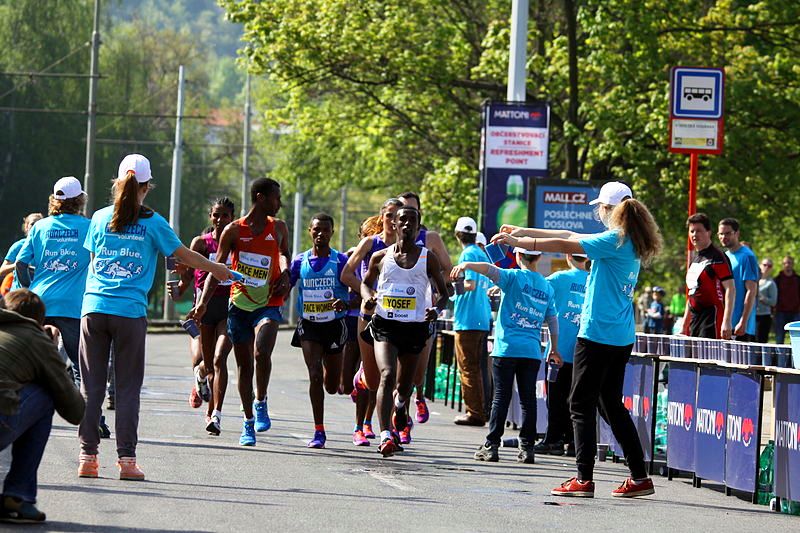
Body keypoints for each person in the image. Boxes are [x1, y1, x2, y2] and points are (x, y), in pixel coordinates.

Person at [493, 181, 662, 498]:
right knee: (610, 404)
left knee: (580, 403)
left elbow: (564, 245)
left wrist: (520, 240)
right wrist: (523, 231)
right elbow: (570, 237)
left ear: (609, 210)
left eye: (600, 207)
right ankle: (639, 476)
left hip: (597, 333)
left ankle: (583, 478)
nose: (598, 212)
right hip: (620, 335)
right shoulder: (630, 241)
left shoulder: (614, 239)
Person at [78, 154, 233, 481]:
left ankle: (88, 458)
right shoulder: (153, 222)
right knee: (128, 388)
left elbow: (93, 260)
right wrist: (217, 268)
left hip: (93, 309)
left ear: (117, 183)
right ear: (147, 187)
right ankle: (127, 461)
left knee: (92, 388)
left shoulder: (99, 217)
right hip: (130, 313)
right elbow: (183, 255)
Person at [191, 177, 290, 446]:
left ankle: (261, 401)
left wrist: (286, 271)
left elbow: (284, 254)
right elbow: (217, 270)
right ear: (260, 197)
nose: (279, 203)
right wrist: (202, 303)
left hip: (268, 302)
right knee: (244, 366)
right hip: (240, 303)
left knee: (262, 350)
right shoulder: (234, 231)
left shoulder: (278, 227)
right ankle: (248, 422)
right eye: (275, 198)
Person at [454, 248, 560, 464]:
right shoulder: (546, 286)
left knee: (501, 397)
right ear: (539, 257)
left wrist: (467, 265)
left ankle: (492, 445)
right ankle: (527, 448)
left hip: (507, 348)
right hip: (531, 350)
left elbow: (488, 269)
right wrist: (554, 348)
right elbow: (553, 321)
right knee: (528, 399)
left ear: (519, 256)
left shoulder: (513, 276)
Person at [360, 205, 448, 457]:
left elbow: (443, 294)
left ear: (418, 227)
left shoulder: (427, 257)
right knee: (387, 375)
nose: (407, 224)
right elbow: (366, 284)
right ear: (395, 225)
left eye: (413, 220)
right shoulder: (381, 257)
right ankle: (385, 435)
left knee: (405, 386)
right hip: (385, 325)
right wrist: (368, 297)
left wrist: (436, 310)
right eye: (403, 220)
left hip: (415, 328)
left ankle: (400, 406)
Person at [0, 290, 85, 524]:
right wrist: (47, 356)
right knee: (46, 395)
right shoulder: (34, 338)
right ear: (39, 320)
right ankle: (17, 498)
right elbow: (75, 411)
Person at [15, 177, 91, 387]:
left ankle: (22, 410)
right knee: (80, 364)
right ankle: (89, 416)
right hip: (72, 305)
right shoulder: (89, 227)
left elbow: (21, 264)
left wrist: (28, 291)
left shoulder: (40, 227)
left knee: (28, 361)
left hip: (40, 302)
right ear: (79, 200)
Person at [341, 198, 403, 440]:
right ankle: (359, 427)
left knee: (390, 378)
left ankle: (385, 430)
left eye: (398, 216)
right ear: (382, 217)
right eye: (389, 215)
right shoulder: (371, 243)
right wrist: (368, 293)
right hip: (368, 315)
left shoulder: (408, 248)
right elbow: (346, 274)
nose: (393, 220)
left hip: (398, 318)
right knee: (373, 379)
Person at [288, 213, 350, 448]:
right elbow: (285, 286)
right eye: (316, 229)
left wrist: (345, 302)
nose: (320, 233)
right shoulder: (300, 261)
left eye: (325, 230)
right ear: (310, 231)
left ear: (332, 232)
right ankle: (319, 431)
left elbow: (356, 288)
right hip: (309, 324)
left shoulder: (341, 261)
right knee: (314, 373)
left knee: (332, 386)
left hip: (335, 325)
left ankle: (335, 373)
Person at [176, 198, 235, 435]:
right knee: (203, 362)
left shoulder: (236, 243)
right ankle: (200, 377)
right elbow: (187, 277)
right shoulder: (201, 243)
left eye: (225, 216)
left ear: (232, 217)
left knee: (220, 360)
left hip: (230, 307)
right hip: (204, 307)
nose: (220, 220)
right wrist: (179, 286)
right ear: (210, 217)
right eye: (216, 215)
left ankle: (214, 415)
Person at [397, 191, 453, 428]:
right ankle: (400, 421)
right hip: (394, 313)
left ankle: (418, 396)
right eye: (403, 211)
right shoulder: (390, 239)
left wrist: (430, 277)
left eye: (413, 210)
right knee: (392, 373)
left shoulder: (430, 239)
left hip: (422, 311)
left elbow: (448, 272)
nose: (408, 220)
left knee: (416, 373)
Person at [536, 253, 590, 456]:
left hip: (559, 349)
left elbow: (535, 289)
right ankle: (574, 443)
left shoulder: (559, 278)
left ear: (568, 256)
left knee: (556, 398)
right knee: (577, 400)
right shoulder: (592, 280)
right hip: (584, 350)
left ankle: (554, 440)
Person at [451, 216, 491, 426]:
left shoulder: (467, 254)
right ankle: (480, 410)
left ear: (457, 234)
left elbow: (469, 285)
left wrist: (452, 288)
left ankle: (474, 412)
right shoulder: (482, 254)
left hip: (467, 319)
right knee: (476, 367)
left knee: (467, 367)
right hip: (482, 318)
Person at [681, 213, 735, 339]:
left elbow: (730, 289)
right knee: (694, 357)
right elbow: (691, 294)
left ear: (708, 232)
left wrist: (727, 321)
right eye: (692, 231)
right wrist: (684, 325)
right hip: (695, 319)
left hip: (713, 316)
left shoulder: (717, 256)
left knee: (709, 357)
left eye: (698, 230)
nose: (694, 235)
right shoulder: (695, 260)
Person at [718, 218, 759, 341]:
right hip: (725, 323)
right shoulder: (724, 256)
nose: (724, 237)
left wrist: (743, 321)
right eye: (721, 234)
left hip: (740, 327)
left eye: (728, 233)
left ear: (737, 233)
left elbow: (751, 291)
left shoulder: (747, 256)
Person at [0, 213, 43, 295]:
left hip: (39, 293)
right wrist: (20, 264)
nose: (36, 227)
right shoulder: (18, 246)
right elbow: (2, 271)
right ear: (26, 227)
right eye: (32, 224)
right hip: (18, 294)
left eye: (39, 224)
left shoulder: (47, 246)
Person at [774, 255, 800, 344]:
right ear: (783, 264)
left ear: (792, 264)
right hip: (780, 312)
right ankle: (780, 358)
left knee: (796, 339)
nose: (787, 265)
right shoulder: (777, 279)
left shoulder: (797, 279)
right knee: (779, 337)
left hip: (796, 312)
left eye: (789, 263)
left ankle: (794, 357)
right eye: (785, 263)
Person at [756, 258, 777, 343]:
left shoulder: (771, 283)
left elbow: (773, 302)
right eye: (765, 265)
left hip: (764, 316)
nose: (767, 267)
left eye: (769, 266)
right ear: (760, 265)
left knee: (761, 340)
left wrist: (762, 298)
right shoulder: (754, 279)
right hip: (752, 315)